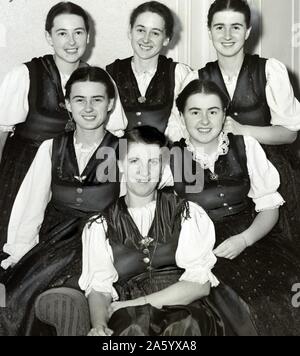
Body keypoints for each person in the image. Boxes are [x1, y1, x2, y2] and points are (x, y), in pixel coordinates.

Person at [74, 126, 256, 337]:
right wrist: (99, 325)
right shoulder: (100, 225)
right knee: (130, 329)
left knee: (185, 325)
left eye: (153, 162)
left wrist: (138, 303)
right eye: (135, 162)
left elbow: (199, 285)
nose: (144, 172)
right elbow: (99, 289)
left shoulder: (187, 213)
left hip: (182, 304)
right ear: (120, 165)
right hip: (129, 314)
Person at [170, 79, 300, 335]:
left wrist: (244, 240)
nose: (204, 121)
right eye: (195, 112)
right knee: (239, 306)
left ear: (224, 115)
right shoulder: (172, 157)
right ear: (182, 116)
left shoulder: (244, 146)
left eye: (213, 111)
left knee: (289, 289)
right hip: (204, 249)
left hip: (254, 238)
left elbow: (269, 207)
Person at [0, 66, 123, 336]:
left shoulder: (123, 150)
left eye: (97, 99)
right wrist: (19, 252)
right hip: (54, 240)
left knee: (65, 288)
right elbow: (30, 207)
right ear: (68, 104)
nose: (88, 108)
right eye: (79, 100)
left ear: (110, 103)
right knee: (14, 297)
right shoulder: (51, 147)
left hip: (103, 239)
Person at [0, 2, 126, 252]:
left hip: (72, 180)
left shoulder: (99, 79)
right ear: (49, 36)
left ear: (88, 37)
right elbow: (2, 132)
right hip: (22, 174)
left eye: (78, 32)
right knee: (15, 245)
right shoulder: (25, 74)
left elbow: (116, 134)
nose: (71, 41)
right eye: (62, 33)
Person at [182, 0, 300, 243]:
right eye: (219, 27)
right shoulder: (197, 78)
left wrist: (242, 130)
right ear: (210, 31)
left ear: (247, 32)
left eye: (235, 27)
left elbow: (289, 133)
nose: (227, 35)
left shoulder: (269, 70)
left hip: (271, 170)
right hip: (219, 175)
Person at [106, 1, 191, 141]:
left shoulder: (179, 74)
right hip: (122, 157)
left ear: (166, 39)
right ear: (130, 32)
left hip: (166, 157)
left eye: (155, 33)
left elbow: (184, 129)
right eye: (140, 30)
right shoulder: (111, 73)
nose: (146, 39)